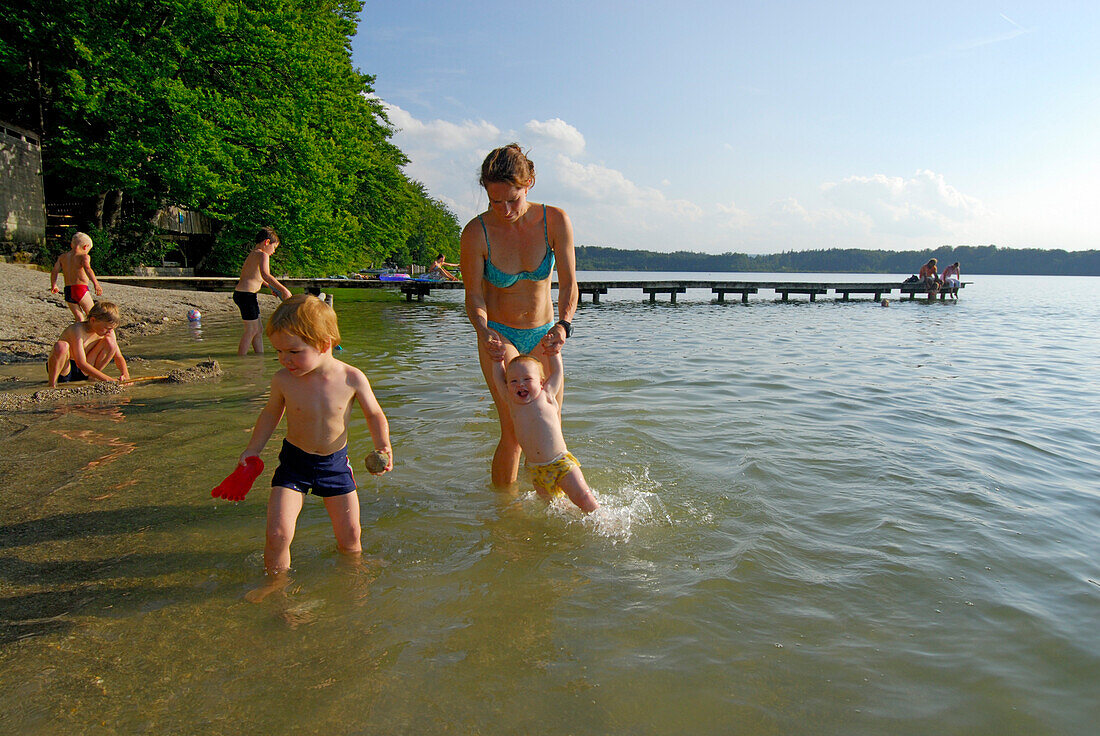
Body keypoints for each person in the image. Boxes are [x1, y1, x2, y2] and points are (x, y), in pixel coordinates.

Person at [236, 294, 393, 586]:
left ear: (324, 344)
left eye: (294, 351)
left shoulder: (351, 377)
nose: (285, 359)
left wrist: (383, 445)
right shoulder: (283, 380)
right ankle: (276, 586)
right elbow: (270, 415)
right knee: (278, 534)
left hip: (335, 465)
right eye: (278, 352)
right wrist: (253, 450)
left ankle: (353, 581)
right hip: (294, 463)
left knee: (351, 536)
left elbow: (374, 414)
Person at [460, 143, 580, 487]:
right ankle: (505, 511)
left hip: (544, 331)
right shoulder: (476, 232)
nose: (505, 209)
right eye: (495, 201)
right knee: (513, 431)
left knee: (550, 423)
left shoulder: (555, 220)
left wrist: (564, 324)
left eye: (512, 199)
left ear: (528, 185)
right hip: (499, 335)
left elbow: (570, 284)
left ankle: (552, 504)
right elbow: (474, 295)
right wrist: (483, 332)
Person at [490, 353, 598, 513]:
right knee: (553, 507)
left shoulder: (547, 395)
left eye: (527, 379)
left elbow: (557, 372)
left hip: (561, 464)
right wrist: (497, 361)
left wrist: (554, 353)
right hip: (537, 471)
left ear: (541, 382)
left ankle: (605, 521)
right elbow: (499, 381)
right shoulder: (512, 402)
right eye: (514, 381)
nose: (520, 384)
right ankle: (574, 520)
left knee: (584, 497)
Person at [234, 226, 292, 355]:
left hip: (245, 295)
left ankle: (259, 356)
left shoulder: (253, 253)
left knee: (258, 329)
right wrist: (283, 290)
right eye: (274, 248)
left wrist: (270, 287)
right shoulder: (263, 255)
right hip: (246, 296)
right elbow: (266, 275)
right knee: (251, 330)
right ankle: (240, 358)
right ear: (267, 242)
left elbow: (256, 276)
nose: (274, 252)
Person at [46, 301, 130, 387]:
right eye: (106, 328)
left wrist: (125, 374)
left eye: (111, 329)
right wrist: (108, 380)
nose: (109, 331)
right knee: (61, 346)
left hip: (86, 370)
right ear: (93, 320)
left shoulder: (109, 332)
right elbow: (81, 363)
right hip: (65, 369)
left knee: (111, 342)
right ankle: (52, 384)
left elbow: (118, 356)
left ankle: (92, 378)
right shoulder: (77, 330)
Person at [50, 231, 103, 321]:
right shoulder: (84, 256)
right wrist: (96, 284)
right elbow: (88, 269)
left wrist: (54, 284)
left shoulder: (62, 257)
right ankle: (95, 334)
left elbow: (54, 271)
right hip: (80, 289)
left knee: (79, 318)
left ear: (71, 245)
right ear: (85, 246)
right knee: (92, 315)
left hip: (68, 290)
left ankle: (78, 334)